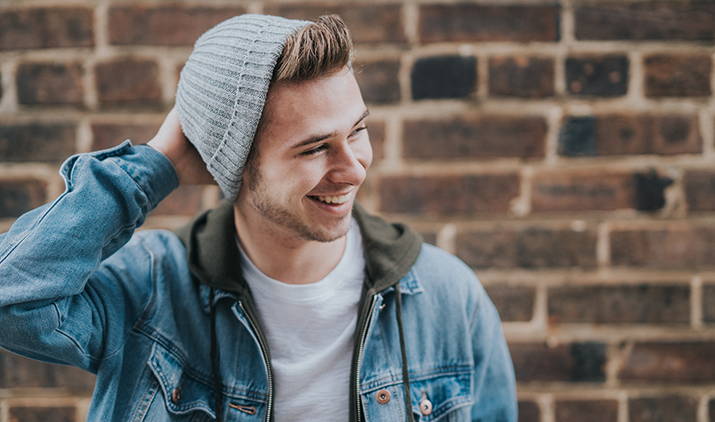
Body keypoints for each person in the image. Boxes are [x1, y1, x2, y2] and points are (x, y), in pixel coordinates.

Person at [0, 13, 516, 422]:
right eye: (315, 148)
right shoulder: (149, 292)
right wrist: (155, 165)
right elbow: (12, 295)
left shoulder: (449, 297)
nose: (353, 167)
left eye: (357, 131)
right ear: (238, 165)